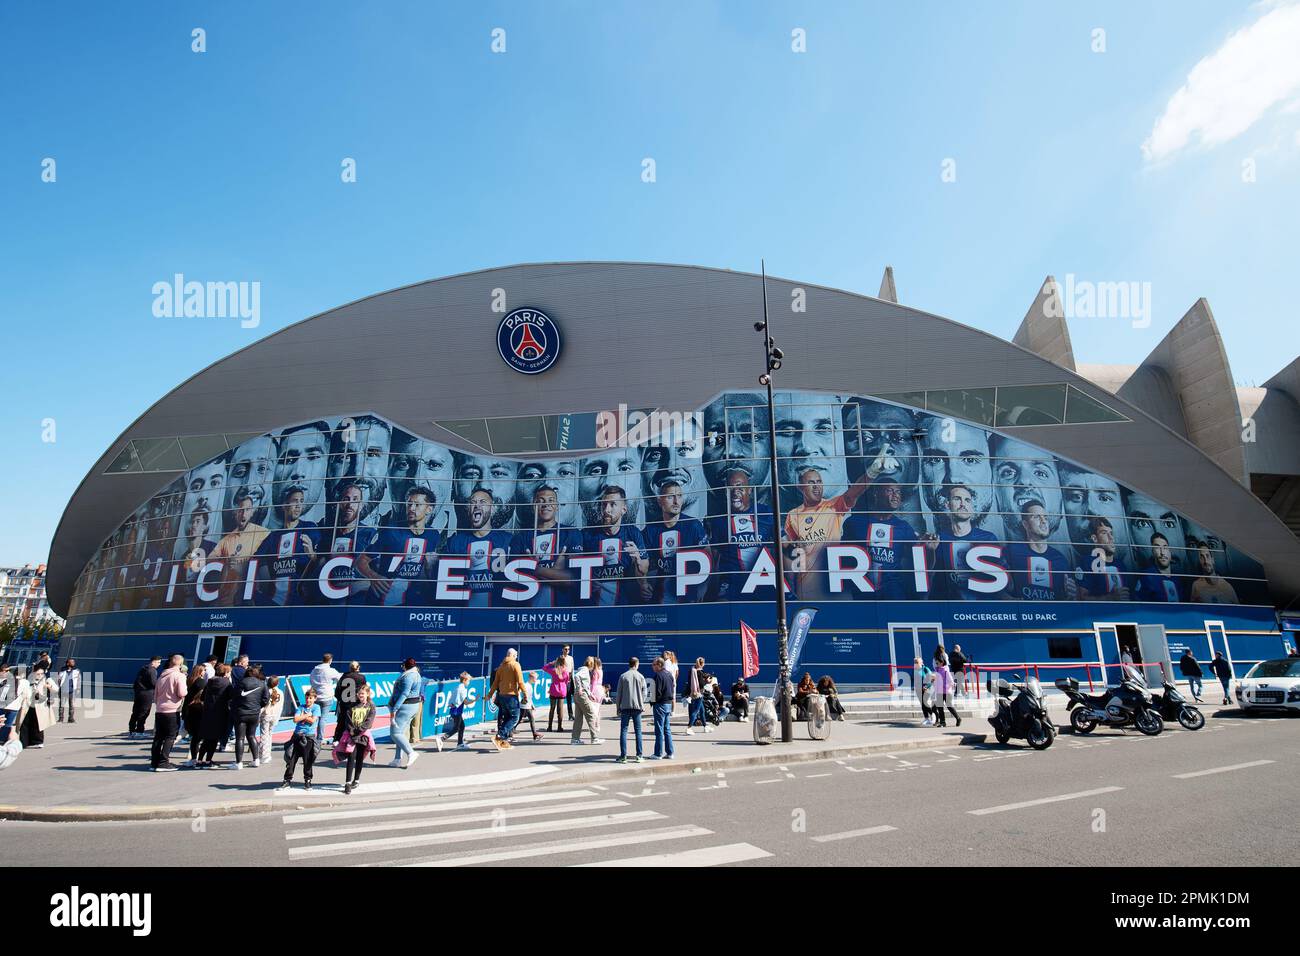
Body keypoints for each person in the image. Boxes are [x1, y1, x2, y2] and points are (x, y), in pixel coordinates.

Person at [336, 684, 376, 795]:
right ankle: (347, 783)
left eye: (362, 693)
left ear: (367, 694)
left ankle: (356, 780)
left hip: (363, 736)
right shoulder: (352, 706)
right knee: (351, 757)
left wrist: (359, 730)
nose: (360, 695)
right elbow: (348, 720)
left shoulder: (371, 706)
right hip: (352, 736)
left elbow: (369, 722)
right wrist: (352, 732)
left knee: (359, 758)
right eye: (359, 693)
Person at [151, 654, 187, 771]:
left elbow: (155, 694)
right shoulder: (179, 676)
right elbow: (182, 693)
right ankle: (163, 762)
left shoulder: (162, 675)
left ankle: (154, 762)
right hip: (172, 710)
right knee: (170, 736)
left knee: (158, 737)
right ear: (180, 664)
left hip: (160, 709)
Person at [279, 688, 321, 791]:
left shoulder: (316, 707)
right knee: (291, 759)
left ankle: (307, 780)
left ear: (314, 698)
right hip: (297, 736)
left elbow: (312, 721)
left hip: (308, 737)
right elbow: (295, 719)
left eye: (310, 698)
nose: (308, 700)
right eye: (307, 698)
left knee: (307, 760)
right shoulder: (300, 707)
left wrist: (302, 716)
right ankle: (287, 780)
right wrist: (306, 715)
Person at [229, 664, 268, 769]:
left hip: (241, 713)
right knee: (252, 736)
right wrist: (258, 706)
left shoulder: (241, 683)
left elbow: (234, 697)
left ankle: (239, 763)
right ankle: (256, 760)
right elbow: (265, 700)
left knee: (240, 738)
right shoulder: (262, 684)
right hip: (254, 713)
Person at [387, 658, 424, 769]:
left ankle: (411, 753)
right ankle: (397, 759)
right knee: (401, 733)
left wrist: (395, 708)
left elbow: (404, 693)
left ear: (405, 666)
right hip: (412, 706)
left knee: (395, 733)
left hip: (406, 707)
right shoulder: (415, 674)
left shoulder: (409, 676)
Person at [488, 648, 524, 751]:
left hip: (502, 695)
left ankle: (503, 741)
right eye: (515, 655)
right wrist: (525, 694)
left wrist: (490, 695)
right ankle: (499, 736)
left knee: (507, 717)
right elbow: (520, 682)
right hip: (510, 696)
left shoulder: (501, 667)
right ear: (512, 655)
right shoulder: (515, 665)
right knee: (514, 718)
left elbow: (494, 683)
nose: (516, 657)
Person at [196, 663, 233, 767]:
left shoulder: (210, 681)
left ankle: (199, 760)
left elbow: (202, 697)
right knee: (214, 738)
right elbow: (232, 696)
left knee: (206, 738)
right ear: (226, 673)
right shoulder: (227, 683)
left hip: (208, 712)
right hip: (220, 712)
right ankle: (208, 760)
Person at [615, 657, 647, 763]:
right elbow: (645, 693)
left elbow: (619, 693)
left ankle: (623, 756)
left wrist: (617, 707)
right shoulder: (641, 676)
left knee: (624, 731)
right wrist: (641, 703)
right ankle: (639, 755)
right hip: (637, 707)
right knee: (638, 731)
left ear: (629, 664)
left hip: (625, 706)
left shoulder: (623, 676)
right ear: (636, 664)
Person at [309, 653, 341, 747]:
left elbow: (311, 680)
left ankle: (310, 736)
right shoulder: (331, 670)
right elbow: (340, 679)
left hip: (316, 696)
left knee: (314, 717)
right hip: (327, 697)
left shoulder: (315, 670)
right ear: (330, 660)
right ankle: (319, 738)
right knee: (323, 718)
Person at [571, 656, 604, 745]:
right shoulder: (585, 670)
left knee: (578, 718)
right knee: (591, 715)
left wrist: (590, 694)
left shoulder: (583, 669)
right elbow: (576, 677)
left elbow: (584, 684)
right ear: (591, 664)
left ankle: (575, 739)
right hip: (582, 696)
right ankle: (594, 738)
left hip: (578, 696)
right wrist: (579, 688)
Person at [333, 662, 367, 742]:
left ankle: (337, 739)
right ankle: (354, 738)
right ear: (358, 667)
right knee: (356, 721)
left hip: (344, 702)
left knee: (341, 721)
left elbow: (337, 690)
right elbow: (363, 690)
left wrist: (340, 699)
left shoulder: (344, 676)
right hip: (355, 702)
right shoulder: (361, 677)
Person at [648, 657, 675, 759]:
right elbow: (672, 689)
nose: (652, 666)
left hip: (660, 704)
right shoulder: (669, 674)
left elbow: (656, 692)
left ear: (659, 665)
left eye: (654, 664)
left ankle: (658, 753)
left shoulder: (658, 676)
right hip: (668, 704)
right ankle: (670, 752)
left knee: (659, 729)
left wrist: (652, 702)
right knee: (667, 729)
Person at [182, 667, 208, 766]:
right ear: (200, 672)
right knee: (198, 737)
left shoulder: (189, 680)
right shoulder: (201, 682)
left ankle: (192, 757)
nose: (205, 672)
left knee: (193, 736)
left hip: (188, 709)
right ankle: (197, 758)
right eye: (204, 670)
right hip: (198, 709)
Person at [129, 656, 160, 738]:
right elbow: (154, 683)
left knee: (135, 712)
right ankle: (139, 731)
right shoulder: (152, 670)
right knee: (144, 712)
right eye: (158, 662)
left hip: (139, 692)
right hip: (147, 693)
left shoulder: (143, 669)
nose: (159, 664)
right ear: (154, 662)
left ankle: (132, 730)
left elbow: (136, 682)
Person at [931, 649, 960, 727]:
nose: (936, 664)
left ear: (942, 663)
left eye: (937, 663)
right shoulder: (937, 671)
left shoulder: (946, 671)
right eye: (936, 663)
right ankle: (943, 722)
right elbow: (935, 680)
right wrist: (933, 681)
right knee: (940, 707)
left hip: (947, 692)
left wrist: (949, 686)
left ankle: (958, 718)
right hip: (939, 692)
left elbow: (951, 682)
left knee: (949, 706)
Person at [259, 676, 284, 764]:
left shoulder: (266, 692)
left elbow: (263, 705)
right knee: (269, 735)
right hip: (274, 716)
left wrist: (258, 715)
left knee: (264, 735)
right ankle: (268, 754)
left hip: (266, 715)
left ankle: (263, 755)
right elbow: (280, 707)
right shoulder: (280, 692)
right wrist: (277, 717)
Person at [542, 655, 569, 733]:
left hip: (554, 689)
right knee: (560, 709)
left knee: (552, 708)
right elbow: (566, 681)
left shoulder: (554, 670)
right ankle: (559, 727)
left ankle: (549, 727)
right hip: (562, 690)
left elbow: (544, 668)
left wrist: (551, 663)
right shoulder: (566, 671)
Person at [445, 672, 471, 749]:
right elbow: (466, 702)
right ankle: (442, 738)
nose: (469, 683)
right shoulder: (462, 689)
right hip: (456, 711)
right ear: (465, 680)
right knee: (457, 728)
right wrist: (475, 700)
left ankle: (460, 744)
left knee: (462, 726)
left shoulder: (458, 687)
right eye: (468, 681)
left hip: (455, 711)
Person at [686, 657, 709, 734]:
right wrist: (707, 681)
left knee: (702, 710)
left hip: (693, 692)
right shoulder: (700, 672)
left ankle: (705, 726)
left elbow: (689, 682)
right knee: (696, 710)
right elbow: (701, 684)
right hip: (698, 693)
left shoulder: (692, 670)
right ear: (702, 664)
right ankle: (689, 727)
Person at [517, 672, 543, 741]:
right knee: (519, 720)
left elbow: (530, 697)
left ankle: (534, 734)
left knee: (530, 719)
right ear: (531, 678)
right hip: (524, 706)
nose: (536, 680)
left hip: (527, 706)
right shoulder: (526, 685)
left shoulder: (530, 686)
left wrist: (532, 705)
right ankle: (510, 732)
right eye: (535, 678)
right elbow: (519, 692)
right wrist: (520, 701)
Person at [56, 658, 81, 723]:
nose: (73, 663)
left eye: (74, 662)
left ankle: (71, 718)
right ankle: (60, 718)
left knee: (72, 705)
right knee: (61, 705)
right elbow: (58, 680)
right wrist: (60, 688)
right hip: (63, 690)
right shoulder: (62, 671)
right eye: (72, 662)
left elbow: (79, 680)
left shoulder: (76, 671)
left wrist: (78, 688)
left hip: (72, 691)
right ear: (68, 663)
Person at [913, 656, 935, 726]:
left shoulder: (925, 669)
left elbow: (933, 678)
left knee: (925, 701)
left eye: (917, 662)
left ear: (921, 663)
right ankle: (926, 718)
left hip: (927, 688)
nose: (915, 663)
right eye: (915, 662)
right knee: (922, 704)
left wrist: (927, 686)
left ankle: (933, 715)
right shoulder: (915, 669)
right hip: (918, 689)